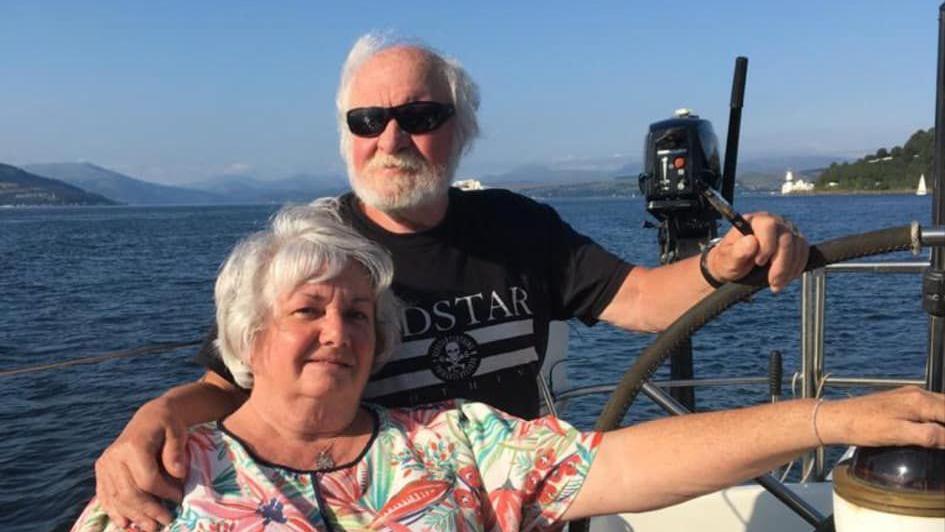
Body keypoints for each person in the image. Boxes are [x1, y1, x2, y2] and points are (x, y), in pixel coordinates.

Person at [93, 34, 811, 529]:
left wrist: (720, 263)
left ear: (461, 128)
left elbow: (645, 301)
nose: (393, 137)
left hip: (520, 489)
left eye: (421, 115)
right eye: (369, 119)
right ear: (345, 134)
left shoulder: (516, 226)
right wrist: (151, 419)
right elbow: (234, 385)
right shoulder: (317, 252)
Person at [74, 204, 944, 531]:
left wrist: (833, 417)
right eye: (307, 311)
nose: (337, 331)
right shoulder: (164, 476)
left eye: (357, 316)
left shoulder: (452, 443)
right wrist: (155, 414)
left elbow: (624, 465)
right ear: (246, 337)